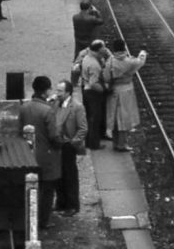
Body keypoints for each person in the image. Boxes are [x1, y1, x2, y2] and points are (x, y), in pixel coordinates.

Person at [18, 76, 63, 230]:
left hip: (27, 154)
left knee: (31, 189)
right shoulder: (48, 111)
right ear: (45, 92)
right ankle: (43, 221)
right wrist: (63, 144)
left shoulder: (24, 107)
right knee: (47, 191)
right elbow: (53, 136)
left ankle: (29, 217)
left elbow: (19, 131)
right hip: (47, 157)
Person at [104, 38, 147, 152]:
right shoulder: (129, 62)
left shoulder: (110, 61)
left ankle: (115, 143)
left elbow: (106, 77)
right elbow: (141, 62)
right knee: (124, 119)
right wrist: (142, 53)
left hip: (113, 91)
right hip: (126, 90)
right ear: (123, 48)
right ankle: (122, 144)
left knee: (114, 117)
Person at [53, 79, 87, 216]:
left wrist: (73, 143)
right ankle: (61, 202)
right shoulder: (56, 104)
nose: (57, 93)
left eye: (60, 91)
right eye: (57, 90)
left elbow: (83, 128)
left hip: (68, 145)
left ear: (68, 92)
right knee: (58, 175)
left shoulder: (77, 107)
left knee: (70, 176)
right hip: (58, 144)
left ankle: (72, 205)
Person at [80, 40, 109, 149]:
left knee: (90, 117)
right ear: (98, 50)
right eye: (103, 48)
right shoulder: (94, 65)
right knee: (95, 118)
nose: (105, 50)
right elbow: (93, 83)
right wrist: (104, 89)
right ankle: (94, 144)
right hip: (93, 93)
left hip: (86, 90)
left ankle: (90, 141)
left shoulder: (87, 58)